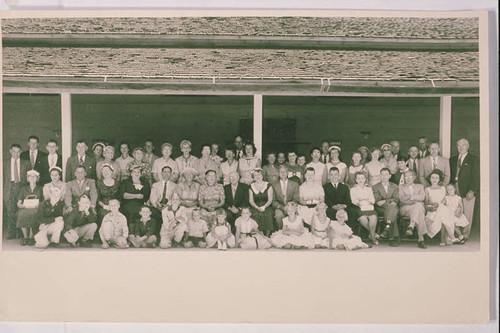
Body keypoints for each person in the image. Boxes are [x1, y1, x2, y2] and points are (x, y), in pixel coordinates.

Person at [449, 138, 479, 240]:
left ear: (468, 146)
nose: (461, 147)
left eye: (463, 145)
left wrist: (472, 190)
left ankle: (465, 235)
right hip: (455, 189)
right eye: (458, 145)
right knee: (455, 211)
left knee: (467, 213)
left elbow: (476, 176)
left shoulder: (474, 159)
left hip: (467, 190)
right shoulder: (452, 159)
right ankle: (457, 234)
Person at [423, 169, 458, 246]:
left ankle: (443, 240)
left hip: (441, 208)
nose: (434, 180)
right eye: (433, 177)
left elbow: (445, 200)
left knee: (442, 211)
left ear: (439, 179)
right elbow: (426, 203)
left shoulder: (443, 188)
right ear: (430, 179)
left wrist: (439, 204)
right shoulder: (427, 189)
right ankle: (451, 236)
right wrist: (432, 204)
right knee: (443, 212)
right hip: (432, 210)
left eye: (436, 178)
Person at [4, 144, 30, 239]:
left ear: (21, 152)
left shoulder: (26, 163)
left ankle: (21, 233)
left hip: (21, 188)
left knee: (21, 211)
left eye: (18, 151)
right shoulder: (4, 163)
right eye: (14, 151)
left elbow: (28, 178)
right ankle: (11, 233)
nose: (16, 154)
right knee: (10, 212)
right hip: (9, 188)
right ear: (10, 151)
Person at [399, 170, 428, 249]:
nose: (408, 178)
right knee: (418, 206)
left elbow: (422, 197)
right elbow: (402, 199)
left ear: (414, 177)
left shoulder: (420, 186)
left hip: (416, 209)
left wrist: (409, 197)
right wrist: (414, 197)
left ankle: (411, 226)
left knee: (419, 210)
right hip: (405, 209)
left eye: (410, 176)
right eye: (406, 177)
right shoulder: (401, 187)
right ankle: (421, 238)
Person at [323, 167, 358, 231]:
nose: (333, 177)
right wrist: (333, 206)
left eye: (335, 174)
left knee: (352, 212)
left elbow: (348, 200)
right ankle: (334, 232)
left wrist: (343, 206)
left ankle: (349, 232)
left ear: (339, 176)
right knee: (330, 212)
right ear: (328, 176)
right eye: (331, 175)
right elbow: (326, 199)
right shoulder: (325, 187)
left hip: (343, 207)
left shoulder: (345, 187)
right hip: (331, 207)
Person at [373, 168, 400, 246]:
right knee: (392, 209)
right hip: (381, 209)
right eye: (382, 174)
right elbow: (378, 201)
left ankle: (389, 231)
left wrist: (384, 200)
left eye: (386, 174)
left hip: (392, 207)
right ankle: (393, 235)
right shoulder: (375, 187)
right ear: (380, 176)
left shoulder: (395, 186)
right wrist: (388, 201)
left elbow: (396, 199)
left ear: (390, 176)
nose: (384, 176)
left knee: (391, 208)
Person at [350, 171, 379, 245]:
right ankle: (373, 236)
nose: (360, 180)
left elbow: (372, 199)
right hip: (360, 208)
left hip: (369, 207)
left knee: (373, 217)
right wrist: (360, 202)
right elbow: (353, 199)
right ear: (356, 180)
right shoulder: (353, 189)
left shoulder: (369, 189)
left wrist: (367, 201)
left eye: (362, 178)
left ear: (365, 179)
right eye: (358, 178)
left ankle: (371, 234)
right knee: (363, 218)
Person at [16, 169, 43, 246]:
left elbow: (43, 201)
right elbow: (19, 201)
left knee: (34, 214)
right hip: (25, 208)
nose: (32, 178)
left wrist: (39, 205)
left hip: (36, 208)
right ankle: (25, 237)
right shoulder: (23, 188)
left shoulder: (40, 188)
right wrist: (20, 204)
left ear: (37, 178)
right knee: (21, 213)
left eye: (34, 176)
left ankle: (31, 237)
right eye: (30, 177)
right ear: (27, 178)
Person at [272, 165, 300, 230]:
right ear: (278, 173)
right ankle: (281, 233)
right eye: (281, 172)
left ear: (287, 173)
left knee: (297, 214)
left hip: (292, 206)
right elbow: (273, 201)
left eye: (284, 172)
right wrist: (282, 207)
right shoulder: (274, 185)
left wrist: (290, 207)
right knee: (278, 216)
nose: (283, 173)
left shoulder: (295, 184)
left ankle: (294, 232)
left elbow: (296, 199)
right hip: (280, 207)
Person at [248, 168, 274, 236]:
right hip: (255, 206)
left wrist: (264, 207)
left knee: (268, 214)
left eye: (259, 175)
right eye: (255, 175)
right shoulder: (251, 186)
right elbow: (251, 200)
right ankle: (258, 235)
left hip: (266, 205)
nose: (258, 177)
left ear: (262, 176)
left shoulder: (268, 185)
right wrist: (256, 207)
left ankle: (267, 236)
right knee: (255, 215)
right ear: (253, 177)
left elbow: (270, 199)